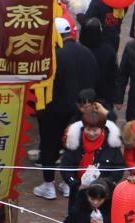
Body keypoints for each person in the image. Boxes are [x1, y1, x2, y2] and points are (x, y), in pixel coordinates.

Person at [35, 17, 100, 199]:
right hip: (81, 110)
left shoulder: (53, 56)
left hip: (53, 110)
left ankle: (48, 184)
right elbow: (96, 78)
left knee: (49, 146)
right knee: (74, 147)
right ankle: (67, 182)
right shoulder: (87, 53)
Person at [58, 106, 126, 204]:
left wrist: (105, 183)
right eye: (88, 129)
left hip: (103, 195)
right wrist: (76, 184)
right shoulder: (75, 142)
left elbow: (118, 168)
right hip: (79, 193)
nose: (91, 133)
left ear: (102, 128)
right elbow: (65, 167)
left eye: (95, 130)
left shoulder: (111, 144)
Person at [81, 17, 120, 107]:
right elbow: (114, 75)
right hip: (104, 96)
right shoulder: (109, 51)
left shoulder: (78, 51)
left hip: (83, 96)